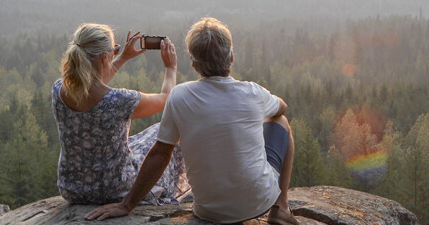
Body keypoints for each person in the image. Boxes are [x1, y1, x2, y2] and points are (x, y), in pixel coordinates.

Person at [85, 17, 298, 225]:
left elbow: (160, 154)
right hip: (258, 203)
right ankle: (281, 207)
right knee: (281, 122)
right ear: (231, 58)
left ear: (193, 64)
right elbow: (282, 107)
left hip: (209, 212)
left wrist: (127, 205)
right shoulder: (253, 92)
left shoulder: (180, 96)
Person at [52, 23, 190, 205]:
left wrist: (122, 57)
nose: (116, 53)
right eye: (114, 51)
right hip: (114, 189)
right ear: (104, 57)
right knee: (166, 133)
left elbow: (89, 83)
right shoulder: (120, 100)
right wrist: (171, 68)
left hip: (71, 188)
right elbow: (166, 99)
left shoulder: (59, 90)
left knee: (135, 143)